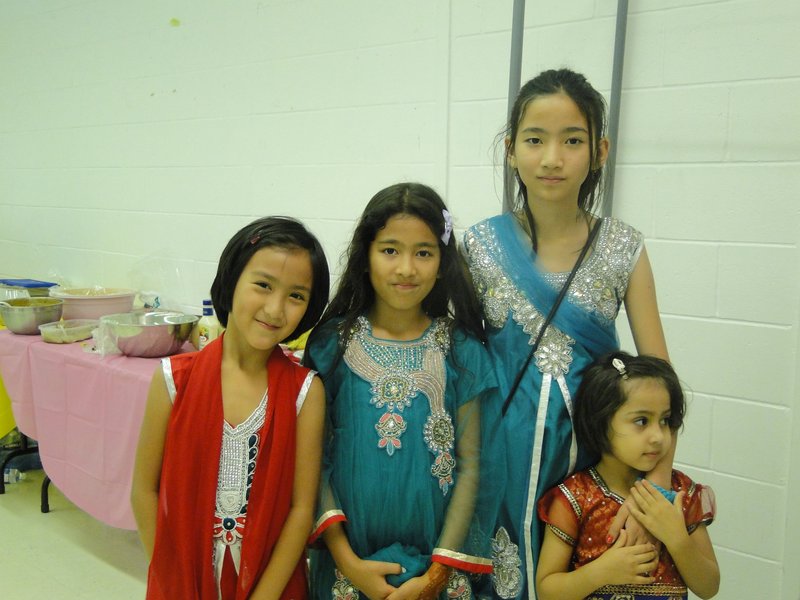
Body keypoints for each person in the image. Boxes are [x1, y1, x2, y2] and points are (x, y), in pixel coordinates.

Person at [463, 68, 672, 599]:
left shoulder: (623, 248)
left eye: (572, 141)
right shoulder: (479, 246)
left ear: (599, 151)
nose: (552, 158)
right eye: (535, 140)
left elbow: (661, 385)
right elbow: (455, 362)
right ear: (511, 150)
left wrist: (654, 494)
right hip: (498, 459)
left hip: (593, 461)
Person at [304, 182, 503, 599]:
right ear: (366, 256)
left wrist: (437, 574)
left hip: (436, 568)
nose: (407, 268)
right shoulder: (331, 346)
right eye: (390, 250)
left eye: (424, 253)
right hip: (349, 565)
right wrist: (348, 562)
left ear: (442, 263)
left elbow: (472, 466)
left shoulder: (462, 350)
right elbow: (312, 463)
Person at [131, 216, 330, 600]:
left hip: (271, 585)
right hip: (183, 583)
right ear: (232, 279)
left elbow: (300, 510)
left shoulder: (305, 392)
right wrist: (172, 582)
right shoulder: (174, 380)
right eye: (263, 285)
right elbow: (143, 490)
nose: (275, 309)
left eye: (296, 296)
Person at [536, 352, 719, 599]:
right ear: (600, 423)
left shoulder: (681, 493)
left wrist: (677, 538)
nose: (658, 436)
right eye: (642, 421)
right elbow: (547, 591)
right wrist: (600, 572)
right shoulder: (574, 498)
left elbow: (709, 587)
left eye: (665, 420)